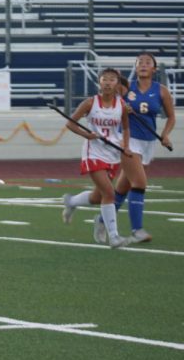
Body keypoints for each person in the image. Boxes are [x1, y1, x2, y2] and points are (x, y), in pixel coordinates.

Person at [93, 53, 177, 245]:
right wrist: (122, 107)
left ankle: (102, 219)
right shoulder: (125, 87)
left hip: (149, 142)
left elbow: (171, 117)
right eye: (140, 62)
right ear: (136, 67)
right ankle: (137, 230)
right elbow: (107, 98)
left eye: (148, 62)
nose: (143, 65)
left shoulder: (161, 90)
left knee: (123, 188)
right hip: (128, 139)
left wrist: (165, 134)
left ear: (154, 69)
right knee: (139, 183)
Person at [61, 68, 134, 248]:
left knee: (97, 196)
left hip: (112, 153)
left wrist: (126, 145)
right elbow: (70, 123)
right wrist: (87, 135)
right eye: (105, 79)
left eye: (112, 79)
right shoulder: (90, 103)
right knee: (110, 193)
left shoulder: (122, 105)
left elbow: (125, 128)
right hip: (93, 152)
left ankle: (71, 201)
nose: (108, 82)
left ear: (117, 84)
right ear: (99, 82)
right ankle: (114, 237)